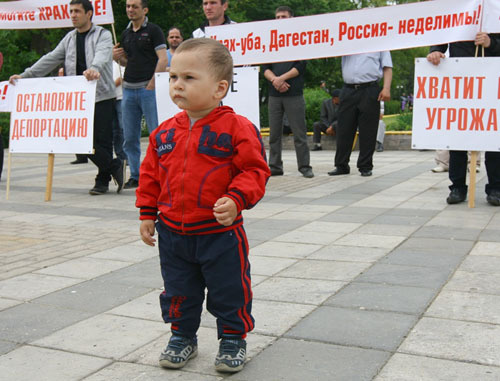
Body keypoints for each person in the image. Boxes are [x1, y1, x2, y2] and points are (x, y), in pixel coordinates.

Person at [136, 38, 270, 373]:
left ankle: (233, 338)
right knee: (179, 290)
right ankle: (182, 336)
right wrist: (147, 213)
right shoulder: (163, 134)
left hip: (220, 235)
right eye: (173, 78)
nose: (177, 85)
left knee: (230, 289)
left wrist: (237, 198)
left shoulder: (238, 129)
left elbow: (254, 171)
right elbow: (150, 175)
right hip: (173, 236)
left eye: (189, 78)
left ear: (219, 88)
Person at [10, 0, 124, 195]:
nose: (73, 15)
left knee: (101, 141)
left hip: (102, 95)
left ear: (89, 14)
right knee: (81, 141)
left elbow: (103, 55)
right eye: (71, 11)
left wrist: (94, 69)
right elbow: (51, 58)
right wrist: (26, 75)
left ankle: (102, 180)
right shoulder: (69, 39)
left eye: (77, 11)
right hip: (78, 98)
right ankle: (114, 165)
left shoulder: (102, 35)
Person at [427, 32, 500, 206]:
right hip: (460, 80)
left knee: (493, 136)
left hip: (491, 79)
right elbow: (443, 35)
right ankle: (457, 187)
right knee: (458, 136)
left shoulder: (494, 10)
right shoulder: (457, 9)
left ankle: (496, 188)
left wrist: (491, 43)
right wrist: (435, 51)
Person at [113, 0, 167, 189]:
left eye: (135, 6)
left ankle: (160, 173)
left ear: (144, 10)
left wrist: (153, 82)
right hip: (128, 88)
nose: (130, 10)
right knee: (129, 136)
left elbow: (163, 58)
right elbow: (129, 62)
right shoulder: (125, 33)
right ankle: (135, 174)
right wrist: (119, 58)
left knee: (155, 134)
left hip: (147, 88)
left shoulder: (154, 30)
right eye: (128, 6)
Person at [262, 6, 313, 178]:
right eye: (277, 17)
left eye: (283, 17)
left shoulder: (299, 39)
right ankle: (275, 166)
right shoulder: (270, 40)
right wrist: (275, 80)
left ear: (291, 18)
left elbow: (300, 66)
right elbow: (265, 68)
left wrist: (281, 78)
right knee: (274, 134)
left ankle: (304, 166)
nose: (279, 20)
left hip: (294, 93)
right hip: (274, 94)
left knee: (299, 133)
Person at [328, 51, 392, 177]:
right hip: (348, 89)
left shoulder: (381, 42)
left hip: (370, 89)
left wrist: (386, 88)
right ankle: (341, 165)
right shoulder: (349, 39)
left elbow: (387, 67)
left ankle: (365, 166)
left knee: (368, 130)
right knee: (344, 129)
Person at [112, 61, 127, 161]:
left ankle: (127, 156)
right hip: (109, 99)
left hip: (120, 97)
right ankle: (120, 156)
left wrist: (110, 87)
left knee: (123, 128)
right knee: (114, 130)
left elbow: (122, 77)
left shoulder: (118, 62)